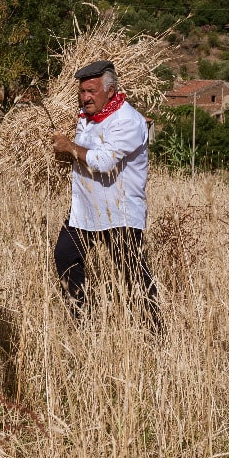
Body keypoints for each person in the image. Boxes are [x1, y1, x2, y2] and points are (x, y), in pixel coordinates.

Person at [51, 60, 162, 330]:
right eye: (82, 91)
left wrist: (68, 147)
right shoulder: (86, 118)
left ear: (110, 91)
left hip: (119, 211)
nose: (85, 97)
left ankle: (155, 334)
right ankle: (83, 321)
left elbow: (103, 162)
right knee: (65, 255)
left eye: (92, 91)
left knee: (133, 276)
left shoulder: (128, 121)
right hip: (86, 209)